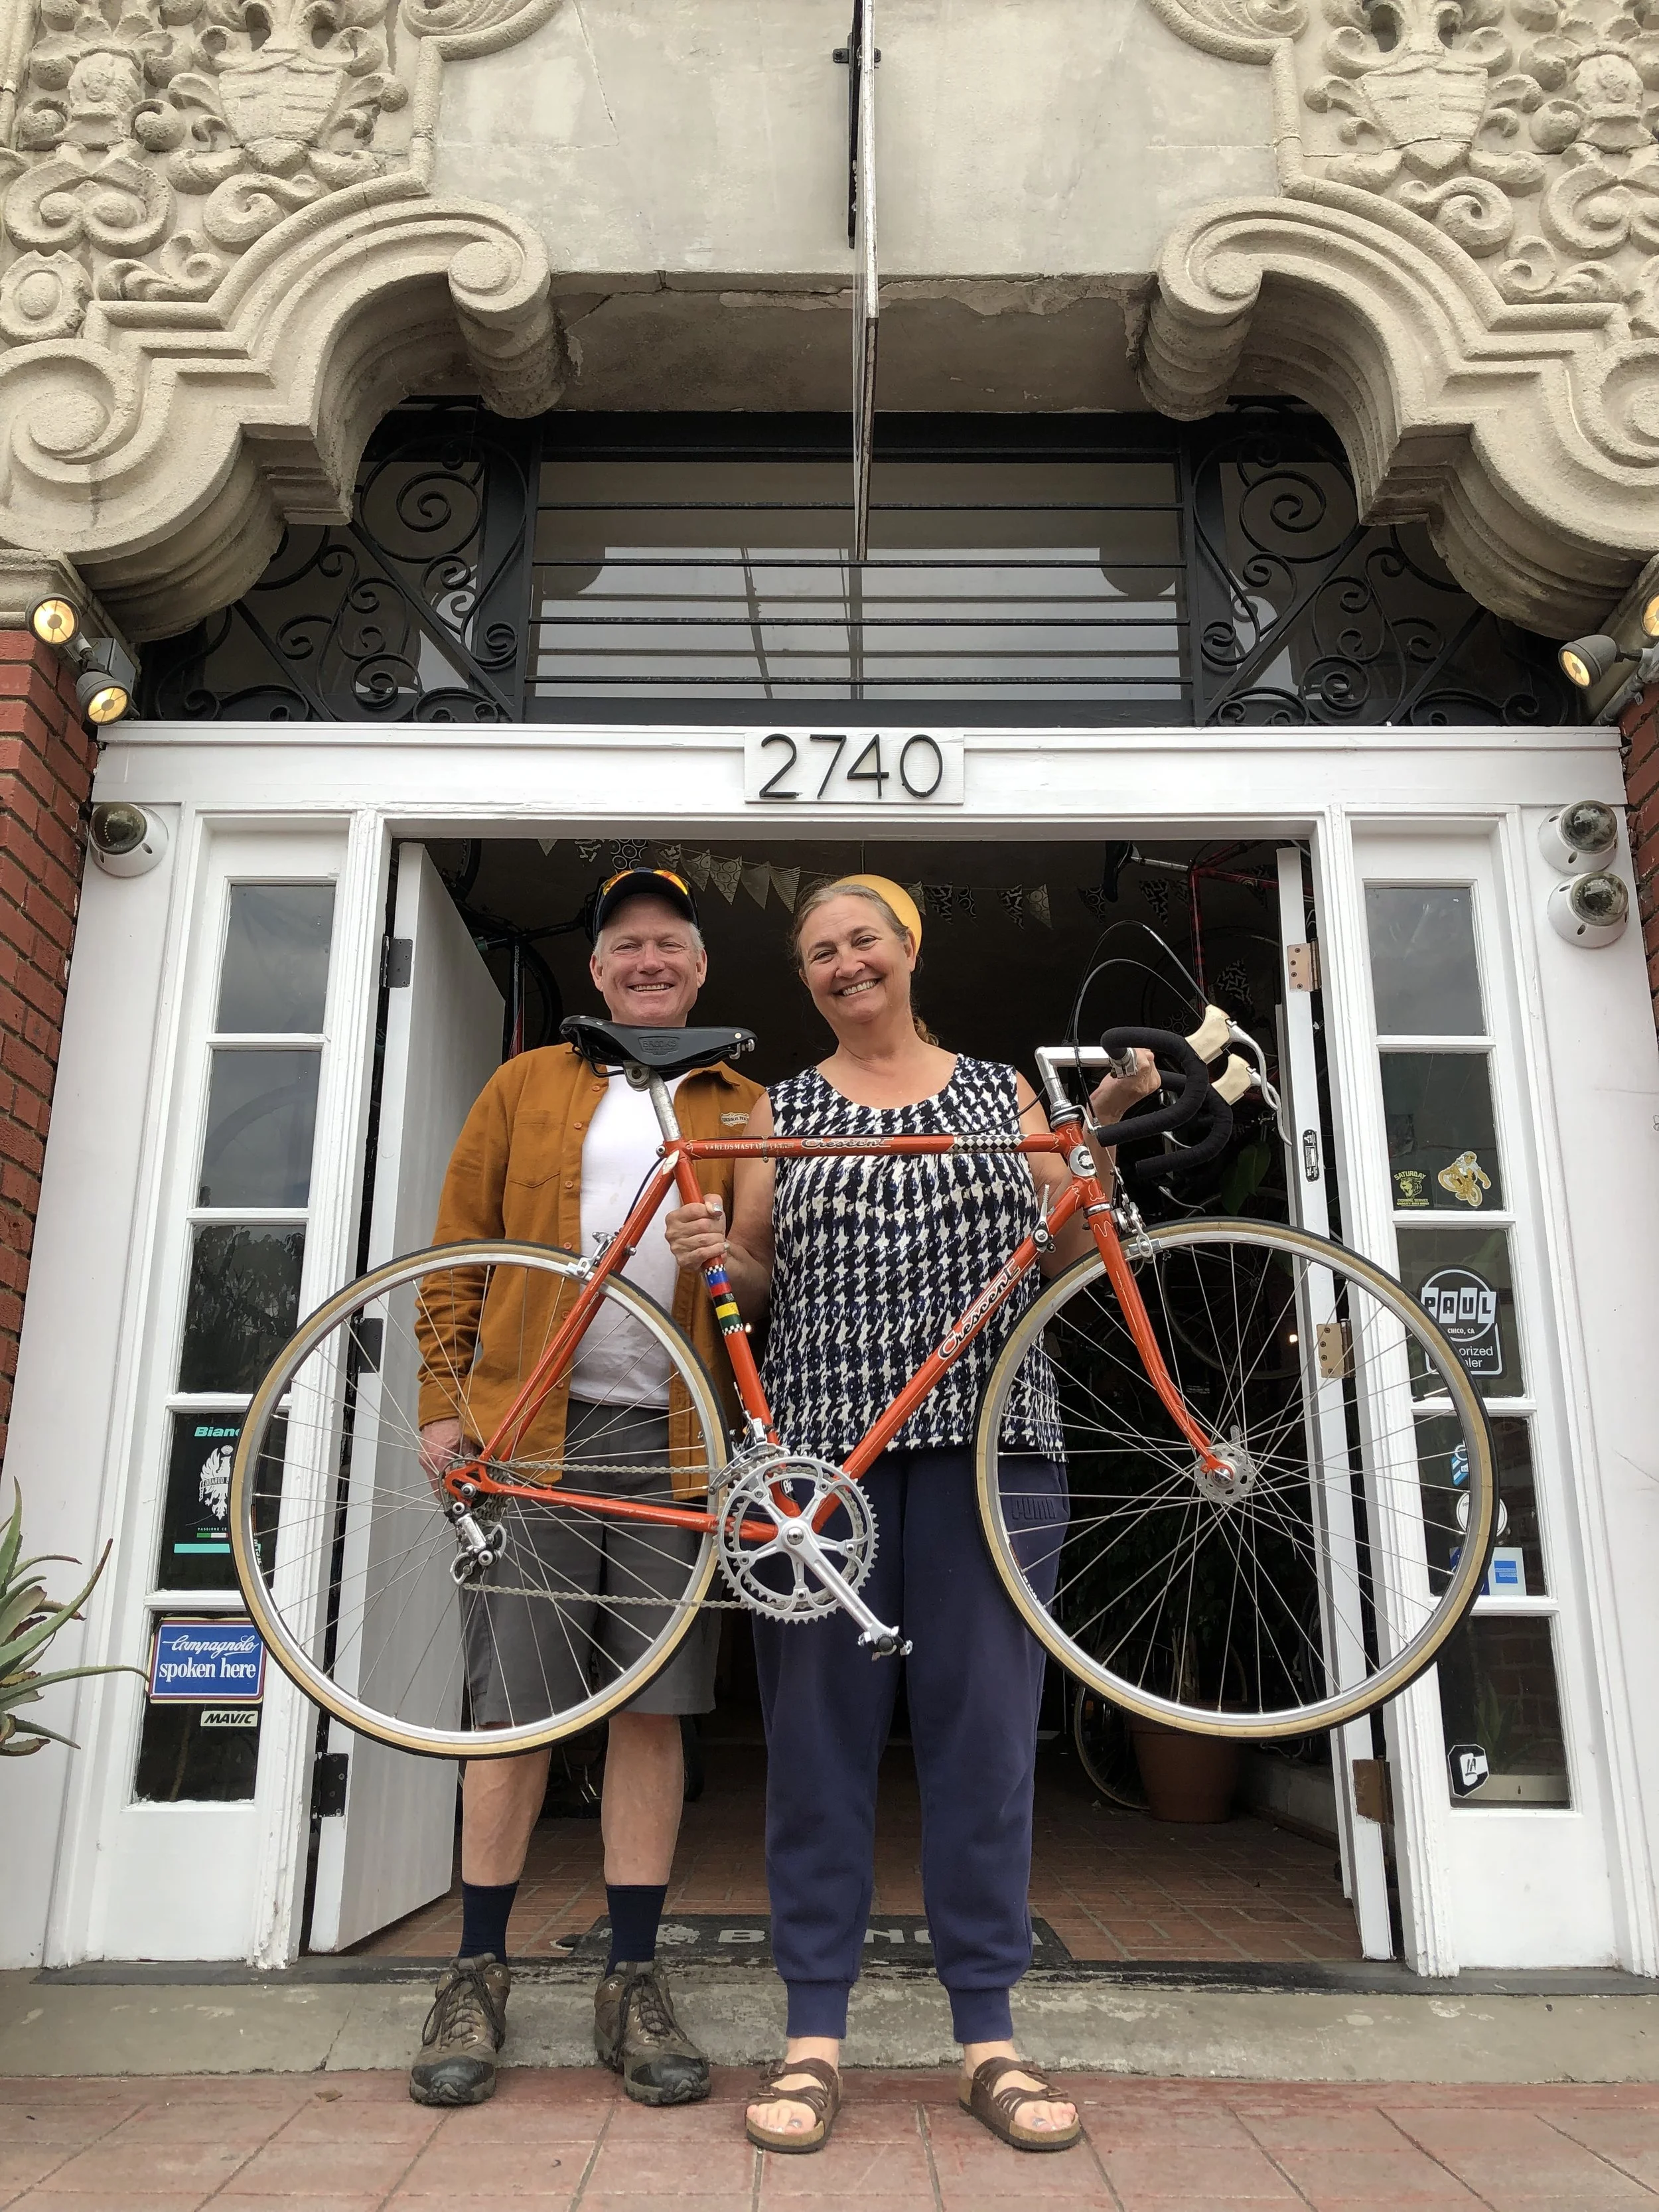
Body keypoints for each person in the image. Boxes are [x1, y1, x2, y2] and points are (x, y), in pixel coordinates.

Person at [664, 875, 1158, 2155]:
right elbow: (759, 1284)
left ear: (908, 950)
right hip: (825, 1470)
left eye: (863, 941)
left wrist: (1090, 1139)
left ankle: (987, 2041)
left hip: (999, 1455)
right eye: (820, 952)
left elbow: (1067, 1259)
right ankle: (812, 2042)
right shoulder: (788, 1107)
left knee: (986, 1747)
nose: (843, 965)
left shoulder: (1006, 1097)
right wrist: (712, 1248)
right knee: (816, 1749)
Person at [408, 867, 762, 2108]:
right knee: (511, 1713)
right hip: (531, 1438)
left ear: (701, 968)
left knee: (653, 1713)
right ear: (602, 969)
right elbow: (459, 1252)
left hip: (674, 1446)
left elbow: (768, 1292)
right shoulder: (525, 1086)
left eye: (671, 943)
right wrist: (443, 1404)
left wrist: (736, 1262)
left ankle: (630, 1975)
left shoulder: (748, 1102)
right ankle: (477, 1969)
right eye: (627, 947)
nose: (649, 962)